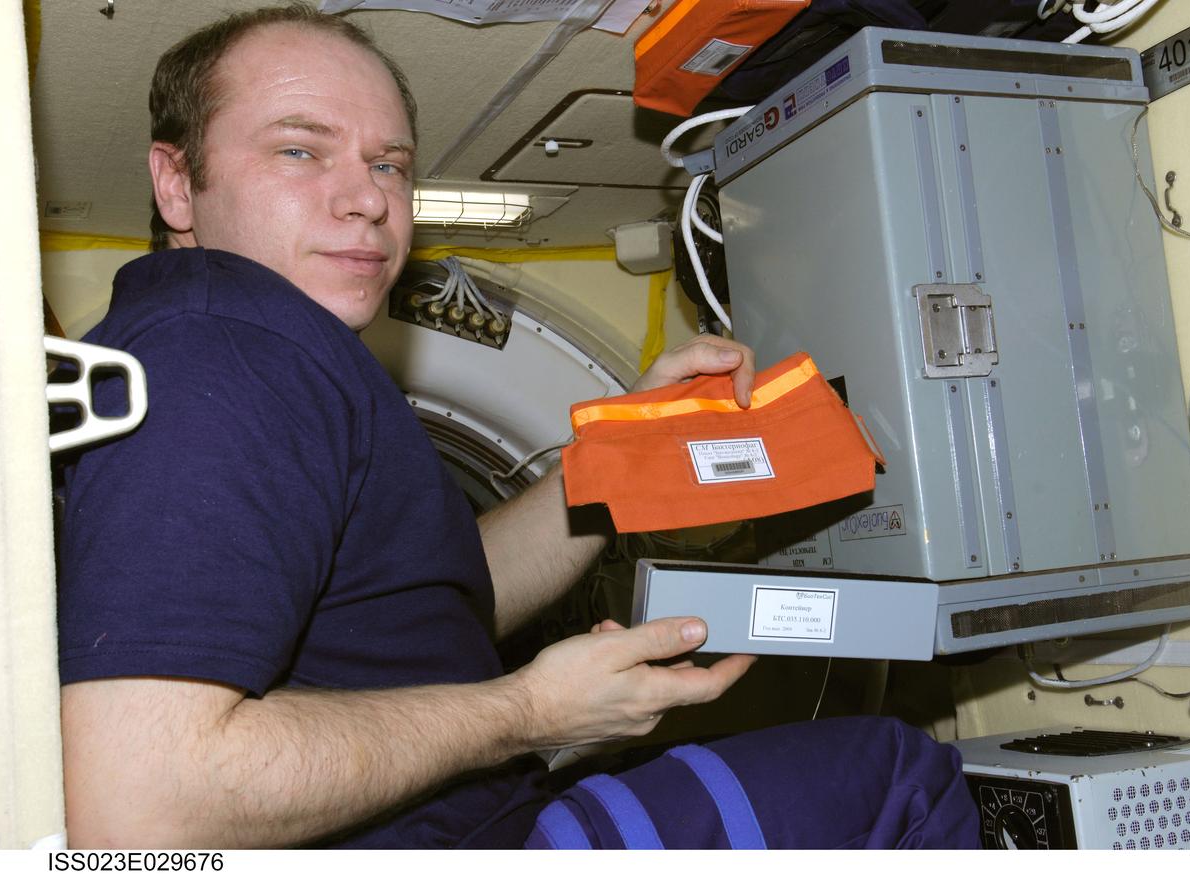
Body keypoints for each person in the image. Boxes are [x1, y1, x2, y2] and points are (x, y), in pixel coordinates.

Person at [56, 3, 979, 849]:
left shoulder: (262, 354)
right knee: (901, 772)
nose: (369, 198)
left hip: (484, 812)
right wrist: (531, 710)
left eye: (388, 163)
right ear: (177, 185)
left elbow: (441, 600)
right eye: (300, 151)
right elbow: (139, 806)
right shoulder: (221, 353)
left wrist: (620, 449)